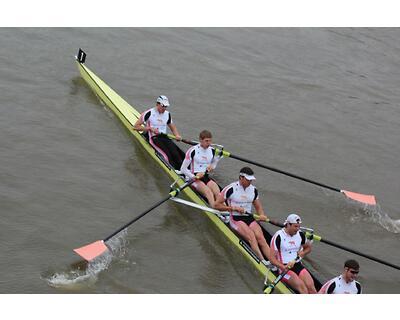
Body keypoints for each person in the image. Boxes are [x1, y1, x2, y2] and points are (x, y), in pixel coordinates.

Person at [214, 167, 272, 266]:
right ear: (241, 178)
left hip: (248, 217)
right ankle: (263, 262)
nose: (250, 182)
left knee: (261, 238)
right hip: (235, 218)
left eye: (251, 180)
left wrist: (261, 215)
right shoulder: (230, 189)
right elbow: (216, 205)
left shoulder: (253, 190)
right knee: (251, 237)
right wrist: (233, 208)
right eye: (248, 180)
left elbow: (258, 206)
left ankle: (273, 262)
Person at [269, 213, 317, 294]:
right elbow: (271, 258)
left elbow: (308, 248)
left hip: (297, 264)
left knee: (311, 288)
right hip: (284, 268)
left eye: (299, 226)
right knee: (303, 288)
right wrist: (282, 267)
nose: (298, 229)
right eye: (295, 226)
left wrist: (301, 254)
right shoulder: (278, 236)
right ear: (288, 225)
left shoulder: (300, 234)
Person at [133, 95, 184, 169]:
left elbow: (173, 127)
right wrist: (150, 128)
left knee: (176, 154)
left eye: (166, 106)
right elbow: (136, 127)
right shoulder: (149, 113)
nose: (164, 108)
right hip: (153, 138)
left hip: (164, 137)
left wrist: (177, 135)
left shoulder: (167, 114)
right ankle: (174, 171)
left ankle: (184, 172)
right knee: (166, 155)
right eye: (163, 106)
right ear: (157, 104)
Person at [180, 130, 221, 207]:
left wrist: (211, 167)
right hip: (192, 177)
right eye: (206, 141)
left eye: (210, 141)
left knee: (217, 191)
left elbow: (214, 164)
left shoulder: (212, 151)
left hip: (204, 175)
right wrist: (194, 177)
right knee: (208, 192)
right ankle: (216, 212)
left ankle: (226, 212)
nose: (209, 143)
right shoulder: (192, 150)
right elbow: (183, 169)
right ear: (201, 140)